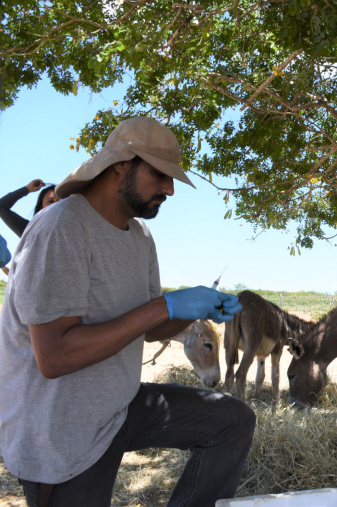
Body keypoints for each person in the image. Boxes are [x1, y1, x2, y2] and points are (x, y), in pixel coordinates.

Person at [0, 116, 256, 507]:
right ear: (122, 162)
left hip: (121, 405)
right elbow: (54, 357)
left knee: (233, 421)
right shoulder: (61, 228)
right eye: (160, 175)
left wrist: (195, 308)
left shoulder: (140, 236)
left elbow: (151, 329)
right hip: (61, 431)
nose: (170, 189)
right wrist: (164, 304)